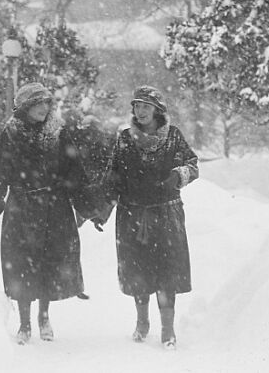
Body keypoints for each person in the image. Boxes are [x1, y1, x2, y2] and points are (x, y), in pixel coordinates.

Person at [0, 82, 97, 345]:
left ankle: (44, 316)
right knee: (21, 264)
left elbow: (74, 172)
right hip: (22, 208)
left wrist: (88, 206)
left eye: (46, 103)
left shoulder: (59, 133)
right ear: (26, 107)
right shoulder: (11, 133)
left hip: (55, 207)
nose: (43, 108)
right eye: (38, 103)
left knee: (49, 263)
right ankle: (25, 323)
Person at [100, 85, 199, 349]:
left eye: (146, 106)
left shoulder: (174, 137)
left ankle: (168, 328)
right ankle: (142, 322)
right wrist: (103, 207)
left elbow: (192, 165)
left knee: (167, 272)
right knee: (138, 271)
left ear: (157, 110)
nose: (140, 111)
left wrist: (178, 175)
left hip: (167, 213)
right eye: (137, 106)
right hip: (132, 214)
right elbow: (113, 177)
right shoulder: (124, 138)